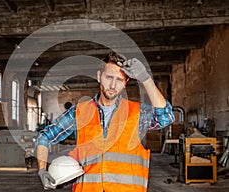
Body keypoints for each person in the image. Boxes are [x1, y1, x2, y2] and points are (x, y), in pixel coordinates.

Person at [36, 52, 175, 191]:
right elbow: (45, 137)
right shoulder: (79, 112)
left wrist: (145, 78)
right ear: (99, 77)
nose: (113, 85)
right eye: (109, 77)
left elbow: (166, 116)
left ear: (126, 83)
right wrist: (42, 170)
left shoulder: (137, 113)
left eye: (119, 79)